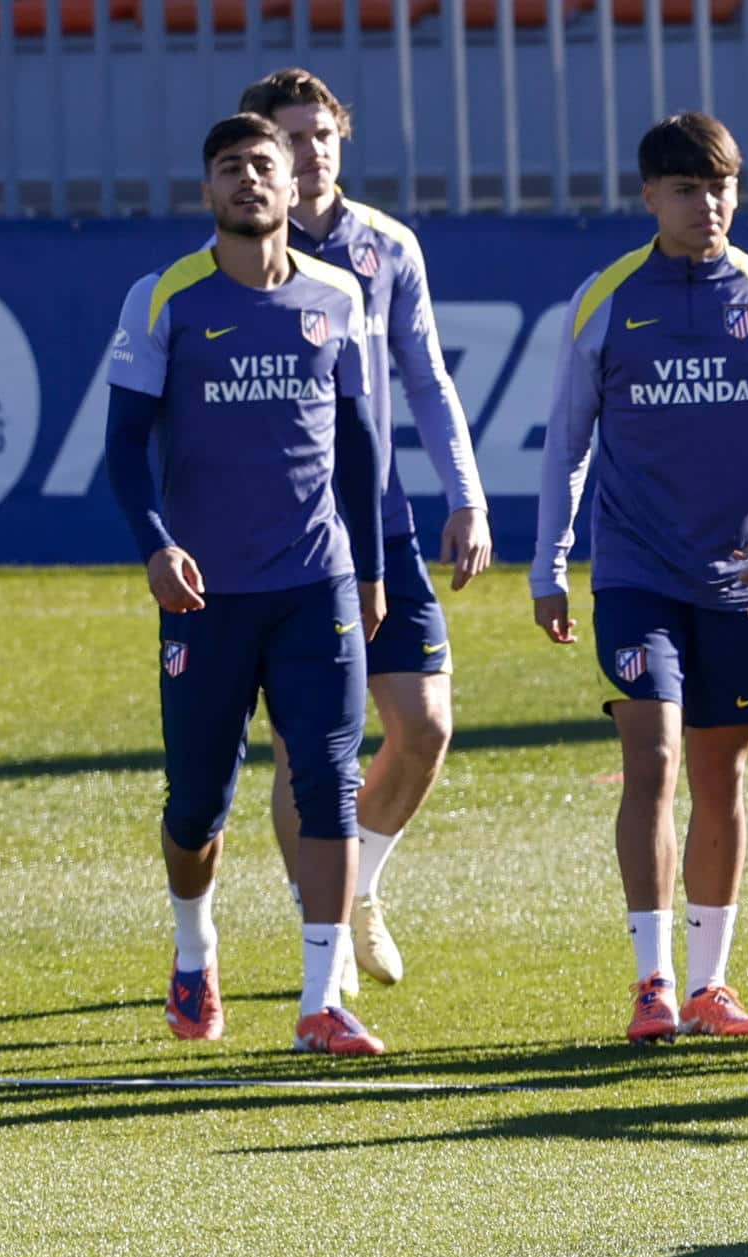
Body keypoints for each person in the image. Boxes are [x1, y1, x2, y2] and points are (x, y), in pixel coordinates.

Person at [532, 112, 748, 1044]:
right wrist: (549, 562)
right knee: (652, 759)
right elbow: (566, 444)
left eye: (721, 187)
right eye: (688, 189)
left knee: (722, 771)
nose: (708, 205)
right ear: (650, 195)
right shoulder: (610, 298)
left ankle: (710, 985)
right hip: (634, 571)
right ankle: (653, 982)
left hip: (740, 576)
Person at [104, 113, 389, 1055]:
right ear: (209, 191)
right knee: (196, 806)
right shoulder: (165, 298)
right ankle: (195, 949)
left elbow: (358, 444)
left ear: (288, 182)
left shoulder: (338, 295)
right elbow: (123, 447)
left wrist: (374, 568)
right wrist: (155, 546)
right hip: (205, 596)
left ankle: (321, 998)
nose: (251, 181)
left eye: (263, 165)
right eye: (231, 168)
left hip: (319, 584)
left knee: (330, 786)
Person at [238, 68, 492, 993]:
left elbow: (425, 378)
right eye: (288, 139)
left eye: (321, 136)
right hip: (285, 531)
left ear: (342, 141)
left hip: (380, 520)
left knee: (423, 725)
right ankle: (326, 933)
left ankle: (359, 888)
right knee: (309, 746)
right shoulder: (239, 253)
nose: (307, 155)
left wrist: (466, 493)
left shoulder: (387, 246)